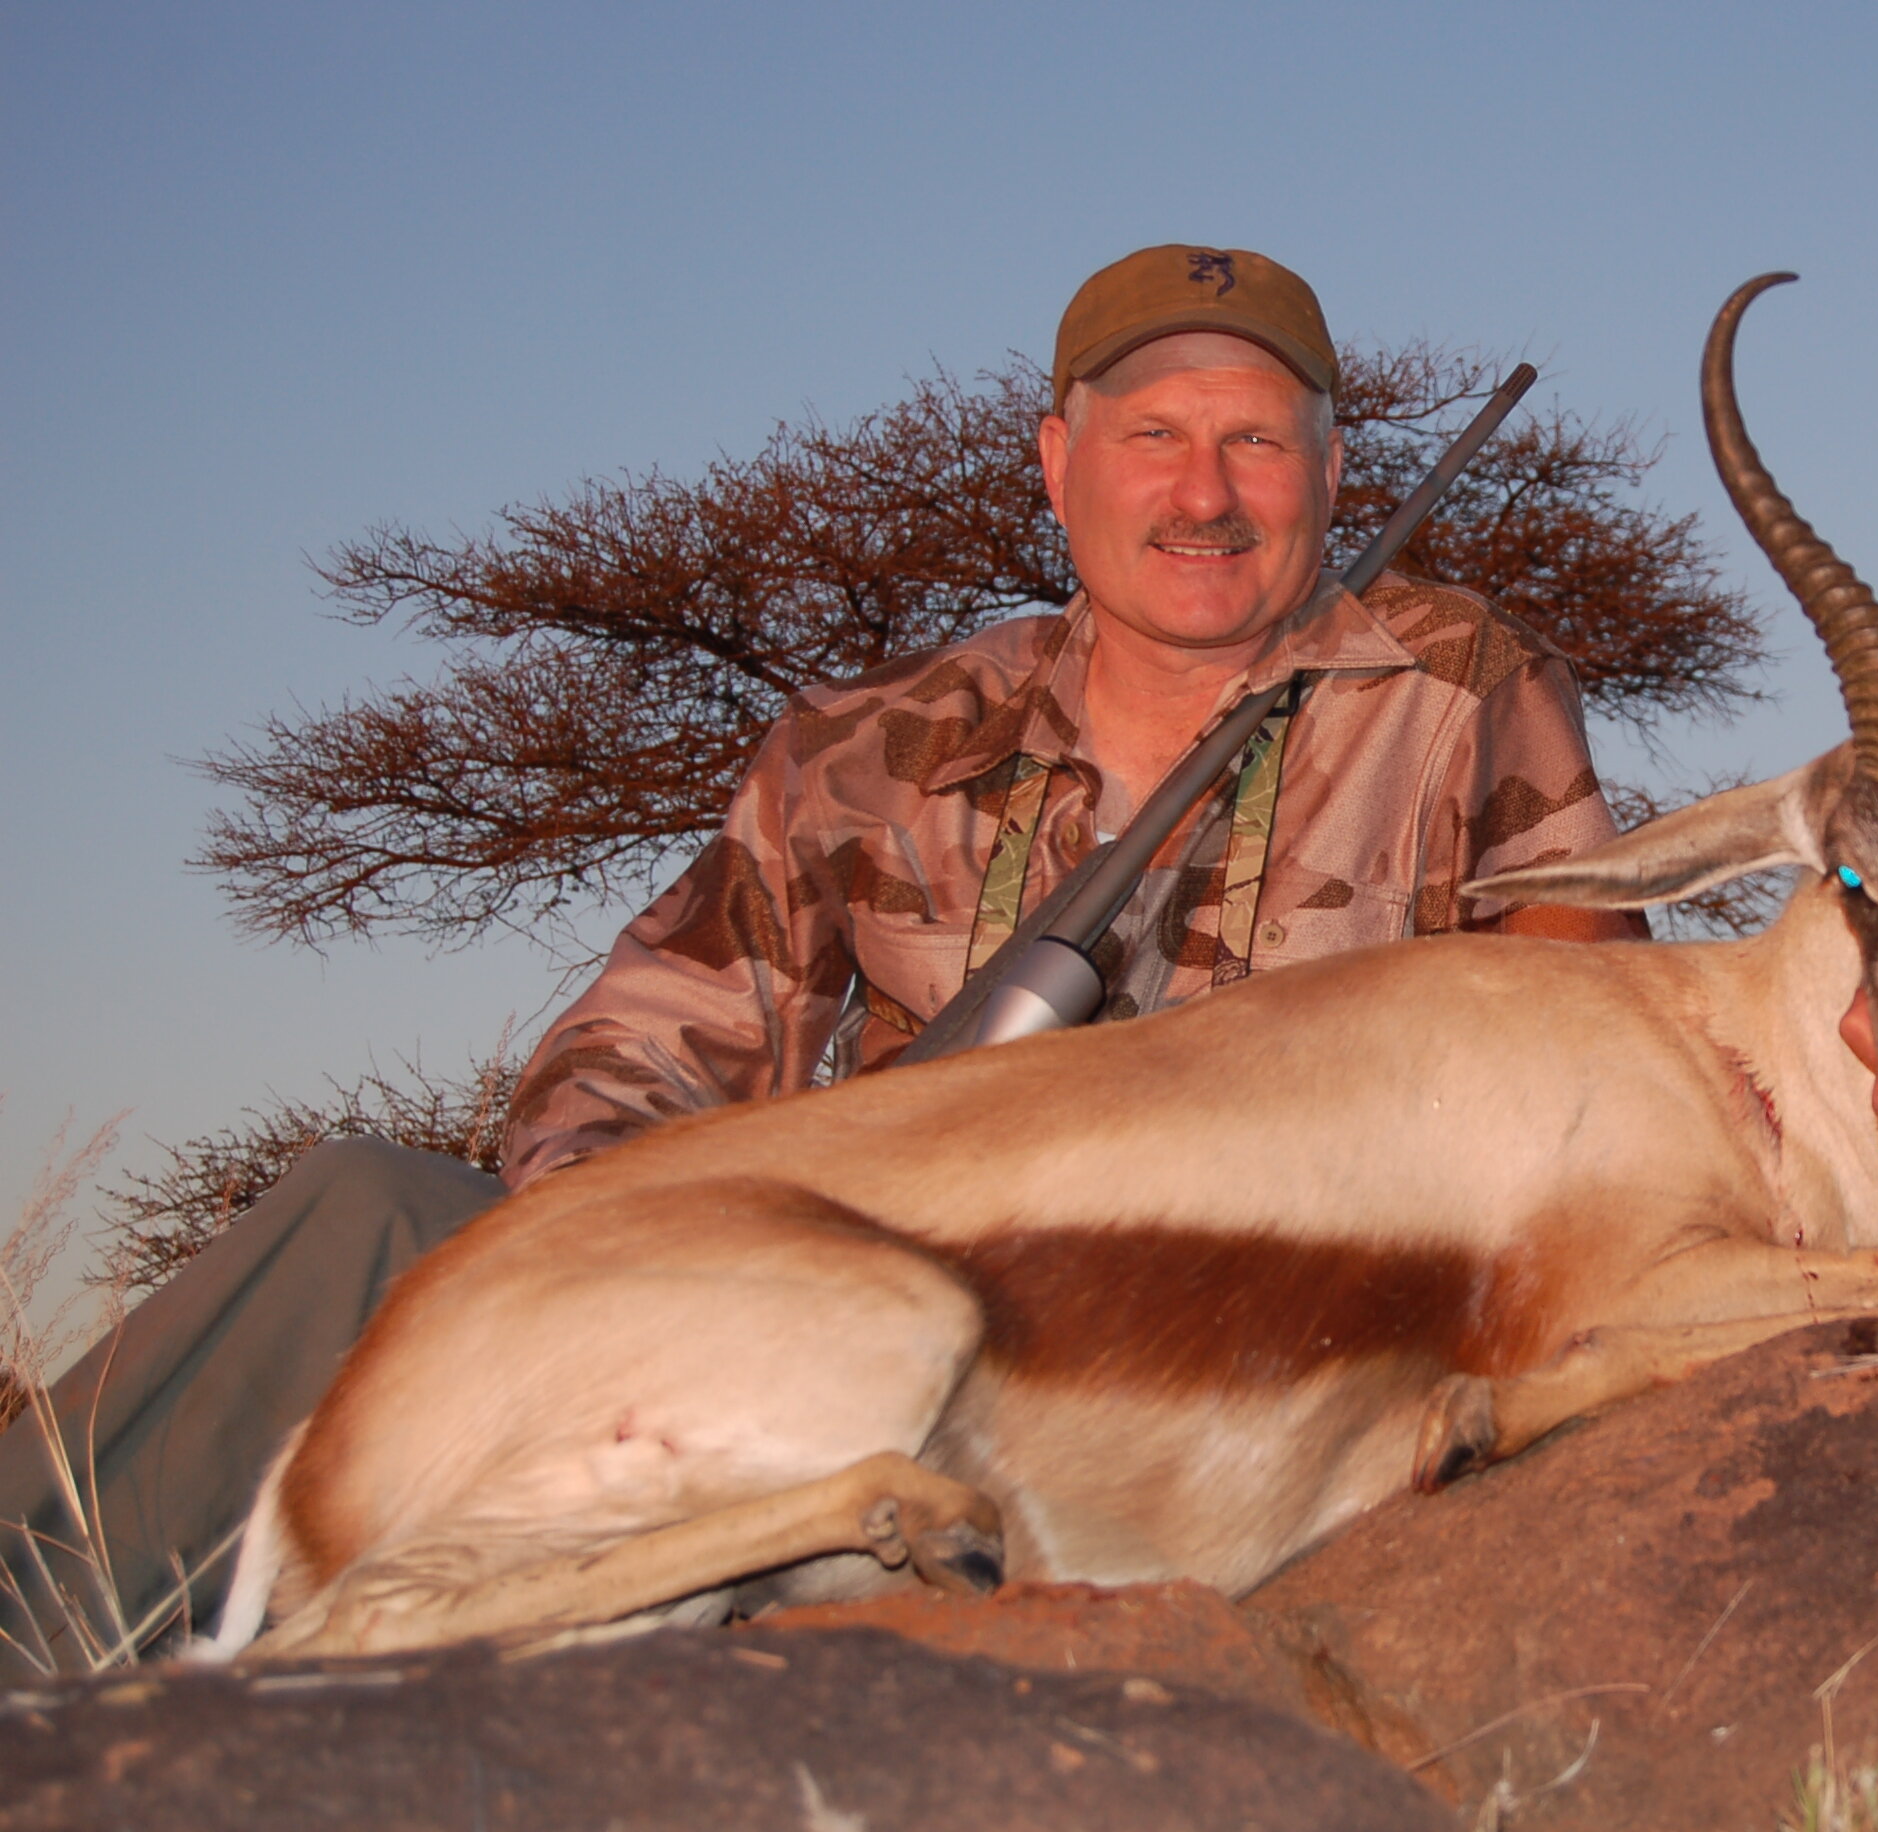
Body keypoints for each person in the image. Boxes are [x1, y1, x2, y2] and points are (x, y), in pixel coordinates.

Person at [0, 243, 1635, 1672]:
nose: (1201, 494)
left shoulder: (1460, 692)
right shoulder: (876, 741)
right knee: (367, 1212)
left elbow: (1594, 1084)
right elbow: (631, 1051)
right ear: (1056, 465)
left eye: (1252, 443)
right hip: (823, 1325)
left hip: (1218, 1381)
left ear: (1334, 472)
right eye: (1150, 437)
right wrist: (623, 1248)